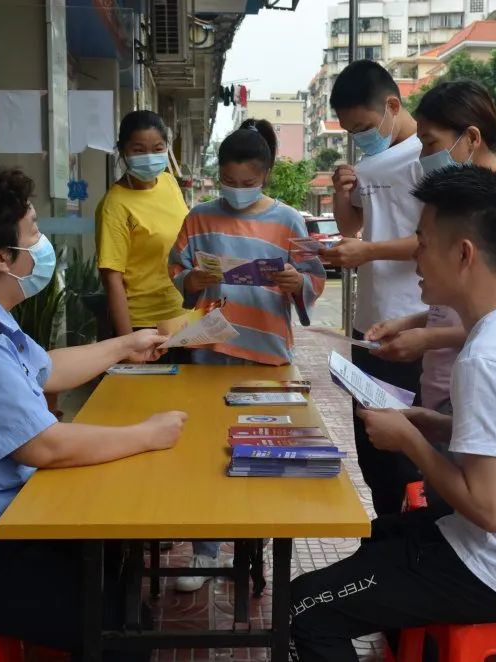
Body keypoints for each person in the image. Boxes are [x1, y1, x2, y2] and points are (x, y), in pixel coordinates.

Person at [289, 165, 496, 662]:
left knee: (303, 607)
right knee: (381, 534)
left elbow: (490, 511)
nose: (416, 259)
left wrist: (409, 443)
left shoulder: (488, 358)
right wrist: (434, 425)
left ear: (464, 253)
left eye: (423, 243)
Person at [0, 170, 188, 658]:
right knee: (119, 627)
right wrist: (147, 434)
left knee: (111, 561)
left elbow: (43, 369)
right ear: (0, 258)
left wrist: (126, 344)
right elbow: (44, 446)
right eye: (33, 232)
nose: (41, 244)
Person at [168, 118, 325, 590]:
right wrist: (190, 281)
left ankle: (253, 544)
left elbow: (313, 277)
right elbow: (178, 270)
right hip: (210, 346)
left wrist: (300, 283)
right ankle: (204, 551)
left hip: (267, 352)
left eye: (249, 183)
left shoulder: (290, 220)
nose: (237, 191)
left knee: (262, 449)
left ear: (267, 175)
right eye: (229, 182)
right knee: (204, 451)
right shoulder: (199, 217)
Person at [364, 80, 496, 415]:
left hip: (478, 395)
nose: (423, 157)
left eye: (431, 143)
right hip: (447, 389)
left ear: (472, 138)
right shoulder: (468, 203)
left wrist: (430, 338)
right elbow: (467, 304)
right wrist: (413, 322)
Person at [321, 59, 426, 517]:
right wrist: (343, 192)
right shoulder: (369, 161)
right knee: (371, 442)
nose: (360, 137)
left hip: (413, 322)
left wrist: (369, 252)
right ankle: (384, 535)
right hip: (369, 325)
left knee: (408, 447)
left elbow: (435, 243)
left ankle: (411, 545)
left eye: (363, 126)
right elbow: (353, 224)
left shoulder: (429, 156)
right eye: (351, 131)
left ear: (392, 105)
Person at [97, 110, 190, 360]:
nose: (149, 157)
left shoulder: (170, 183)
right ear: (122, 150)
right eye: (139, 150)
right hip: (142, 325)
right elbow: (112, 278)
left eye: (157, 148)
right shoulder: (115, 205)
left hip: (182, 318)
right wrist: (128, 346)